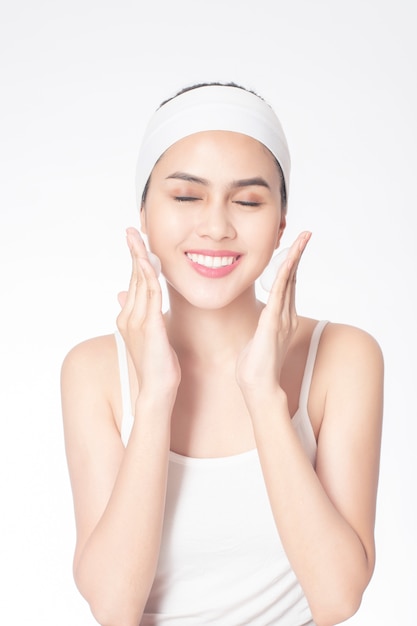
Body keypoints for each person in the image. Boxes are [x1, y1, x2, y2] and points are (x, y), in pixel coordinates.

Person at [61, 82, 384, 626]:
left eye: (249, 200)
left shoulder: (344, 357)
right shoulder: (94, 372)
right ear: (144, 212)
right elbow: (114, 608)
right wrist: (156, 397)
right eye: (187, 196)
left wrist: (263, 395)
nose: (216, 227)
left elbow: (338, 598)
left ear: (281, 221)